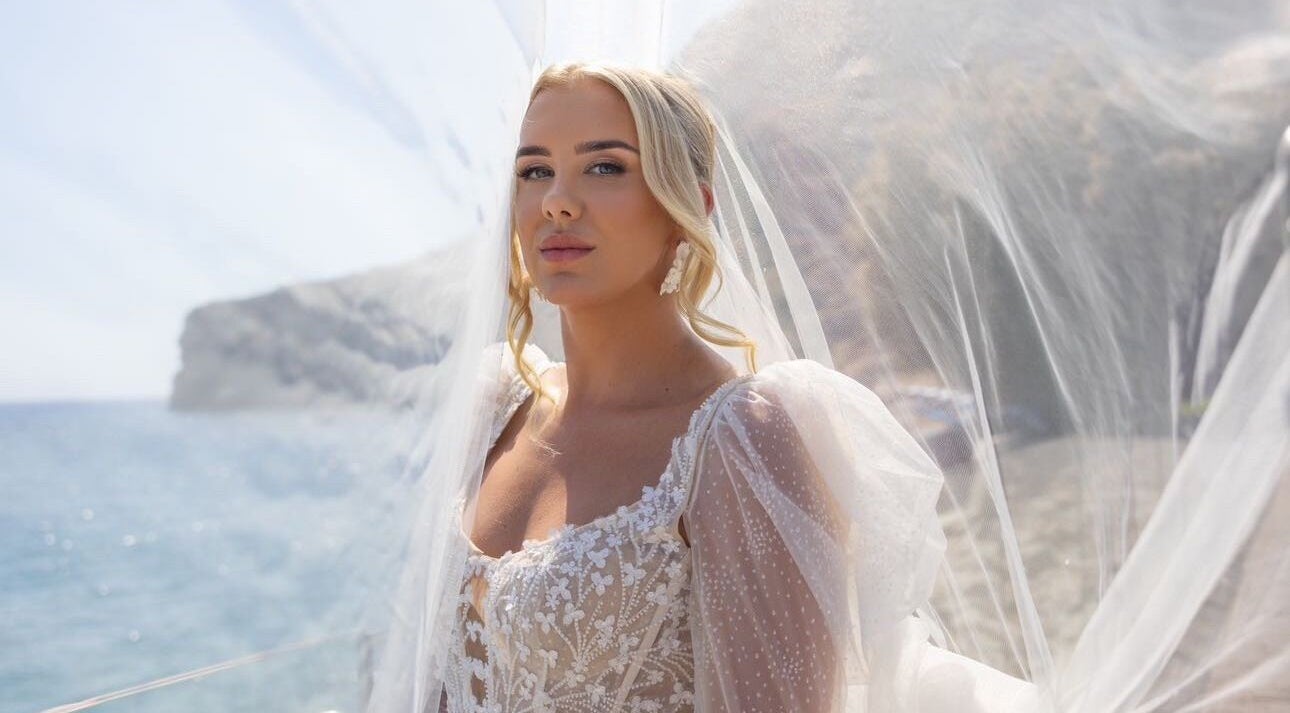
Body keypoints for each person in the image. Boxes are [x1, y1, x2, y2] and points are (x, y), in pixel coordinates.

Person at [367, 61, 1042, 713]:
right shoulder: (495, 407)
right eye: (534, 170)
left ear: (687, 206)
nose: (557, 201)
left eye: (605, 167)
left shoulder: (741, 442)